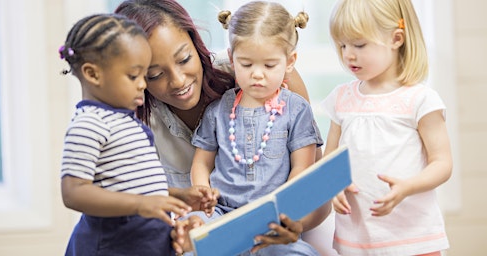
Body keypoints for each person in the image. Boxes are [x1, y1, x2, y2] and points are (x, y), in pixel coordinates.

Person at [114, 0, 331, 251]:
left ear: (197, 46)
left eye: (184, 59)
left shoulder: (275, 85)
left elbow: (315, 188)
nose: (178, 81)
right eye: (155, 75)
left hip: (279, 229)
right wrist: (192, 224)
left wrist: (293, 222)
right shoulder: (137, 127)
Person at [59, 13, 210, 255]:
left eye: (144, 76)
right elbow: (73, 192)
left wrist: (177, 196)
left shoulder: (128, 122)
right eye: (135, 76)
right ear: (92, 74)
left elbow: (132, 187)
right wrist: (142, 205)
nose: (143, 84)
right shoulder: (89, 123)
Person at [188, 1, 327, 255]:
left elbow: (302, 168)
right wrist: (203, 194)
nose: (257, 74)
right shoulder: (218, 110)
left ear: (290, 61)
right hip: (221, 213)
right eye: (246, 64)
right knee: (191, 240)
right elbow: (201, 163)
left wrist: (283, 208)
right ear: (231, 58)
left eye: (269, 65)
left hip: (272, 218)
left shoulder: (297, 110)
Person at [321, 0, 453, 255]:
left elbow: (442, 163)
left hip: (413, 237)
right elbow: (331, 159)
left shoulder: (420, 99)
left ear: (396, 39)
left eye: (359, 44)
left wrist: (408, 186)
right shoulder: (341, 98)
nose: (348, 54)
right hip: (357, 237)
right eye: (342, 44)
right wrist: (332, 185)